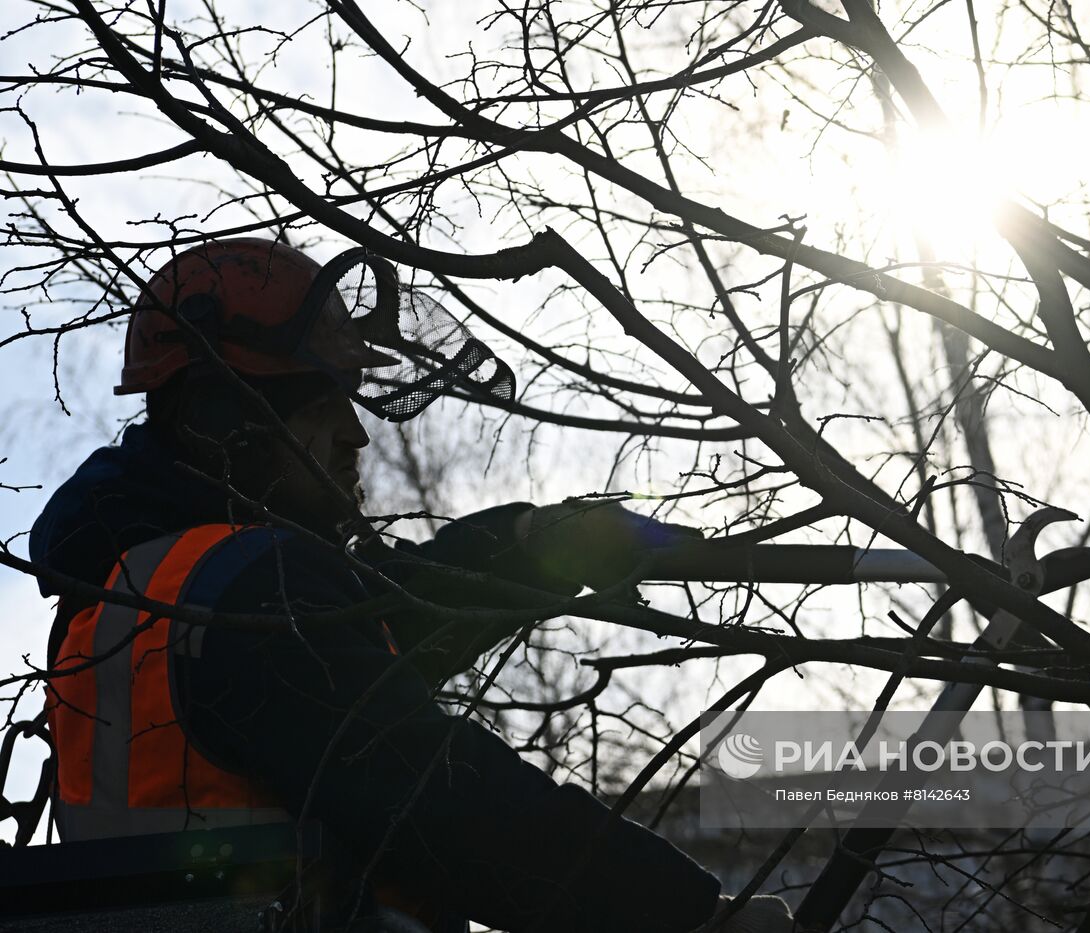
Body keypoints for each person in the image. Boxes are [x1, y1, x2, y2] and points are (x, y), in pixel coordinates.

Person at [34, 238, 792, 932]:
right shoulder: (249, 591)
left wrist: (529, 546)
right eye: (322, 405)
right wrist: (689, 914)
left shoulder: (139, 595)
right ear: (222, 414)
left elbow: (380, 631)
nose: (356, 434)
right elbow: (449, 804)